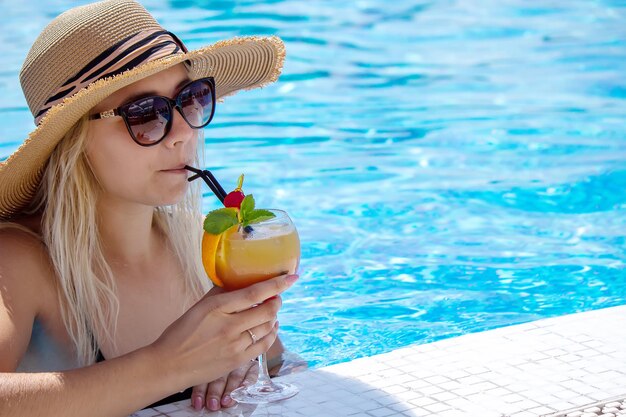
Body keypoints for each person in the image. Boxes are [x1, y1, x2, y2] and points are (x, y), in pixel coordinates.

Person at [0, 0, 301, 415]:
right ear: (71, 142)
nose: (182, 132)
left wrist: (244, 367)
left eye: (190, 98)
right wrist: (169, 366)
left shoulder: (204, 242)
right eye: (145, 114)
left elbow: (281, 367)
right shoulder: (20, 261)